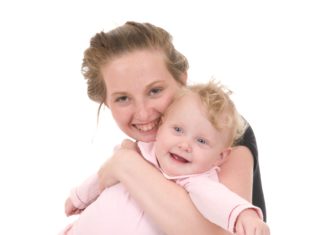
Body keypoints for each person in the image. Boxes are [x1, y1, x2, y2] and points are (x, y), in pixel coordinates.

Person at [71, 21, 267, 235]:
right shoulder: (145, 148)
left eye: (155, 91)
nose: (144, 113)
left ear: (182, 78)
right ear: (107, 101)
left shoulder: (220, 129)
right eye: (123, 98)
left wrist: (125, 165)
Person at [61, 81, 269, 235]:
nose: (185, 145)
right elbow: (102, 177)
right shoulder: (139, 150)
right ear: (161, 126)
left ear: (220, 157)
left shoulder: (198, 183)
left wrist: (244, 215)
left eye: (202, 141)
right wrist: (80, 196)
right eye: (177, 129)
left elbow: (220, 202)